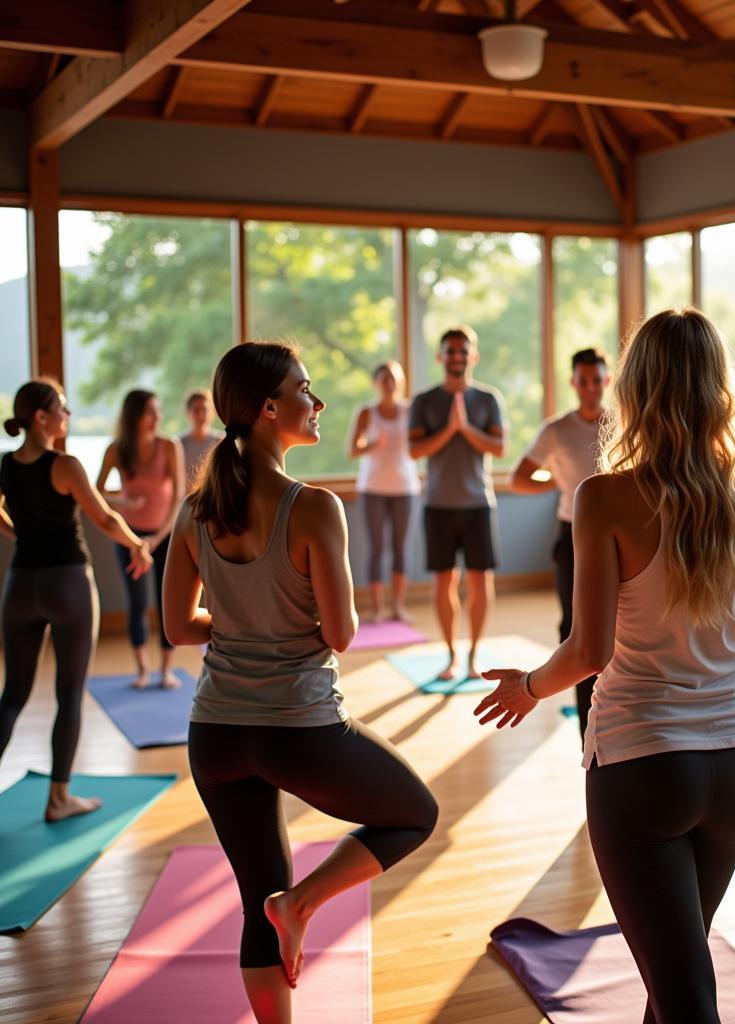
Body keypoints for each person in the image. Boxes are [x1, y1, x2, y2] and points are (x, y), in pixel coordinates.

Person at [475, 309, 735, 1023]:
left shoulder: (605, 496)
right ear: (720, 387)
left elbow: (590, 651)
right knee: (674, 978)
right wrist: (702, 657)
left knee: (683, 992)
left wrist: (528, 687)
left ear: (634, 390)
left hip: (641, 765)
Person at [163, 341, 437, 1024]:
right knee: (415, 814)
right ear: (267, 409)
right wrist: (280, 626)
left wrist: (240, 623)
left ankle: (285, 914)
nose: (317, 404)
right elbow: (342, 634)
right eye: (306, 391)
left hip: (216, 737)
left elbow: (178, 626)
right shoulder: (313, 506)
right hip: (300, 730)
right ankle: (305, 902)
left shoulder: (196, 512)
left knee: (257, 889)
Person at [0, 379, 151, 821]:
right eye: (62, 409)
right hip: (67, 584)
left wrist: (19, 533)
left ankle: (61, 797)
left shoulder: (6, 465)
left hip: (21, 586)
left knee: (12, 696)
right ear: (41, 417)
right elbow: (104, 516)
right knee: (69, 694)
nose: (67, 415)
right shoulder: (65, 465)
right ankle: (59, 798)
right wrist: (138, 546)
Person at [510, 347, 611, 741]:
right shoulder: (557, 429)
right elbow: (519, 478)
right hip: (572, 537)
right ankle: (589, 726)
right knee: (575, 627)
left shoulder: (623, 422)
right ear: (574, 383)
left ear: (607, 380)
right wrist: (557, 481)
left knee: (620, 627)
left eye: (597, 379)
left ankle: (618, 706)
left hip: (620, 536)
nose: (590, 388)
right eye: (583, 381)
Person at [409, 325, 507, 682]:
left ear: (473, 356)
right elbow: (415, 451)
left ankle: (474, 654)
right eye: (450, 351)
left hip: (479, 503)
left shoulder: (488, 399)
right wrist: (450, 430)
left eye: (462, 351)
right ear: (440, 357)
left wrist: (465, 429)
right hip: (438, 504)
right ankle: (451, 655)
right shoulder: (424, 401)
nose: (456, 357)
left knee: (481, 582)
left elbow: (499, 448)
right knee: (443, 582)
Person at [97, 390, 185, 689]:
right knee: (137, 604)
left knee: (166, 603)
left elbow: (178, 497)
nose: (158, 417)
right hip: (129, 539)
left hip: (163, 537)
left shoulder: (170, 446)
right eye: (151, 411)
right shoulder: (117, 449)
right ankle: (142, 670)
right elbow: (96, 494)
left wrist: (158, 538)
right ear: (135, 416)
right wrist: (124, 504)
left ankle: (167, 669)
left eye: (158, 411)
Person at [348, 360, 420, 624]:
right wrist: (372, 445)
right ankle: (377, 609)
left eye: (393, 378)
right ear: (375, 383)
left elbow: (420, 444)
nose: (388, 383)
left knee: (401, 548)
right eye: (383, 378)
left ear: (400, 382)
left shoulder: (411, 411)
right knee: (376, 549)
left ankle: (398, 607)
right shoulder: (366, 412)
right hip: (372, 488)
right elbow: (352, 450)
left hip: (405, 488)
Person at [180, 388, 223, 491]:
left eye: (205, 410)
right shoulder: (178, 443)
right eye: (196, 410)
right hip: (186, 502)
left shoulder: (221, 440)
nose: (201, 415)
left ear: (213, 413)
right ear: (187, 412)